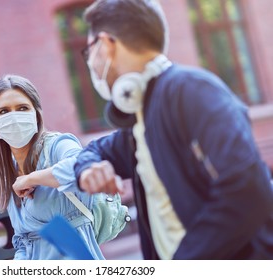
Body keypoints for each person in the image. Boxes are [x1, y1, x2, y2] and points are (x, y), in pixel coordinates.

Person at [74, 0, 273, 259]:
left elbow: (247, 189)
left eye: (90, 52)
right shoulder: (141, 116)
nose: (92, 63)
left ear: (106, 44)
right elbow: (93, 151)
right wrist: (88, 168)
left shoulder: (192, 89)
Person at [0, 74, 105, 260]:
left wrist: (32, 178)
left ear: (37, 114)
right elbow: (23, 242)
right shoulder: (9, 170)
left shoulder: (57, 145)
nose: (14, 117)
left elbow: (83, 165)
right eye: (4, 112)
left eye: (22, 108)